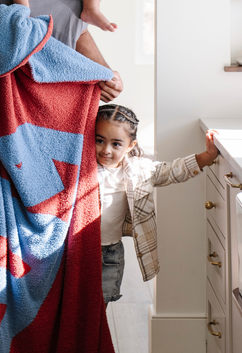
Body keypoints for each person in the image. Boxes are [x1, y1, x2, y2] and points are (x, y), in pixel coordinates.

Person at [94, 104, 219, 304]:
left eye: (116, 144)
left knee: (101, 305)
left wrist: (208, 156)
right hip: (78, 249)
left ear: (130, 146)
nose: (106, 150)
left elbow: (172, 170)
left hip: (110, 253)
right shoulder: (83, 168)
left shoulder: (139, 170)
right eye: (99, 140)